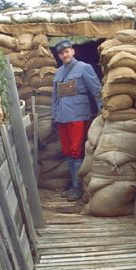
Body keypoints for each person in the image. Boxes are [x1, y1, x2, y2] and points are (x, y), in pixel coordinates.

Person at [51, 39, 102, 201]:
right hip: (62, 116)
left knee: (76, 151)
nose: (64, 55)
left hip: (78, 115)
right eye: (61, 53)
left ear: (73, 51)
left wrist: (102, 111)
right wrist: (54, 115)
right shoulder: (58, 73)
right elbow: (55, 97)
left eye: (67, 51)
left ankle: (77, 187)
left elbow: (96, 91)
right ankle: (73, 184)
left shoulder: (84, 68)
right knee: (67, 152)